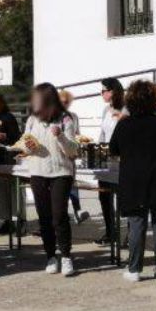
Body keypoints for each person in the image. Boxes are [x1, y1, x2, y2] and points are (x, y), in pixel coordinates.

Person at [109, 80, 156, 282]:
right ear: (153, 101)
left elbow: (113, 149)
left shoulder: (123, 124)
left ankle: (134, 270)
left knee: (137, 223)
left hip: (134, 178)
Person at [21, 83, 80, 276]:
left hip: (61, 173)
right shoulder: (32, 120)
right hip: (38, 172)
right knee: (44, 216)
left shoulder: (65, 119)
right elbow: (25, 145)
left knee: (59, 216)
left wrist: (61, 136)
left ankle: (66, 256)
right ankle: (50, 256)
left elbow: (73, 150)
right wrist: (27, 145)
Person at [94, 78, 126, 246]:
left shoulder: (127, 108)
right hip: (107, 159)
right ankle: (110, 232)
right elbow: (103, 133)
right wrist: (99, 149)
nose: (102, 94)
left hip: (123, 159)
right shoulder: (106, 109)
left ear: (113, 91)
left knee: (124, 198)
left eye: (104, 90)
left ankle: (127, 235)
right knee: (104, 195)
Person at [0, 92, 23, 236]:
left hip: (9, 158)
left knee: (13, 191)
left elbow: (17, 137)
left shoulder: (8, 117)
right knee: (0, 192)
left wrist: (3, 136)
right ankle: (6, 221)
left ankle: (20, 221)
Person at [58, 90, 89, 225]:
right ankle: (68, 213)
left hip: (70, 155)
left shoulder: (73, 116)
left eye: (67, 102)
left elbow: (77, 135)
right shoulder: (53, 116)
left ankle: (77, 211)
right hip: (58, 156)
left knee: (72, 183)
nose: (64, 104)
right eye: (62, 101)